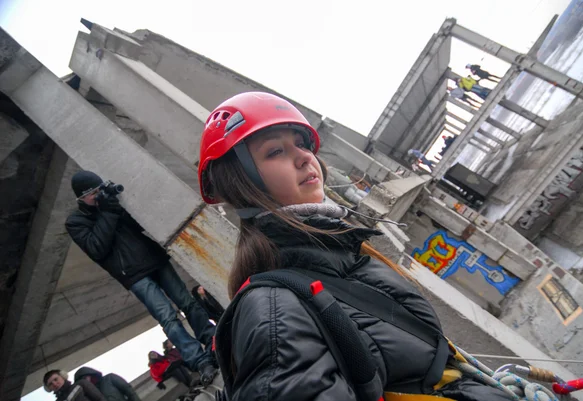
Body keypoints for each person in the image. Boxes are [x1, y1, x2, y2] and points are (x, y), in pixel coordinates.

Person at [198, 92, 512, 400]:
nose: (305, 156)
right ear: (244, 183)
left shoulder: (339, 256)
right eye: (275, 151)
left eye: (302, 144)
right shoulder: (271, 310)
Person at [65, 171, 217, 385]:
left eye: (100, 190)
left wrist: (121, 207)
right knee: (168, 318)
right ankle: (200, 361)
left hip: (154, 259)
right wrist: (108, 213)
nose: (99, 195)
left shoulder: (112, 203)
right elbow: (96, 248)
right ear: (81, 198)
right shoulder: (76, 221)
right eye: (93, 193)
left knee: (188, 303)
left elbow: (142, 224)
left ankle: (214, 340)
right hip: (133, 275)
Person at [74, 367, 140, 401]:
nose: (85, 381)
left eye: (85, 377)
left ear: (90, 374)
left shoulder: (109, 378)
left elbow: (128, 390)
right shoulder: (88, 396)